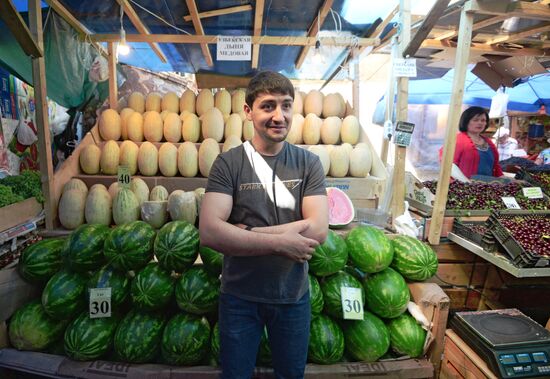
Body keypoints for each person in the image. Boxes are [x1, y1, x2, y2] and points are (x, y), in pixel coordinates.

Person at [199, 71, 328, 379]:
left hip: (293, 297)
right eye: (268, 106)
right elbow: (210, 231)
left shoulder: (308, 163)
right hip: (239, 298)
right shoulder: (229, 163)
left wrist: (247, 234)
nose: (278, 116)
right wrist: (280, 241)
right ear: (248, 111)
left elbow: (319, 229)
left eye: (286, 106)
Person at [447, 106, 504, 181]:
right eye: (475, 120)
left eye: (483, 120)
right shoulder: (457, 140)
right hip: (462, 189)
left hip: (487, 188)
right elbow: (449, 165)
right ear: (466, 121)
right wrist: (467, 184)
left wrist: (509, 181)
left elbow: (496, 168)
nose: (480, 123)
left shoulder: (489, 143)